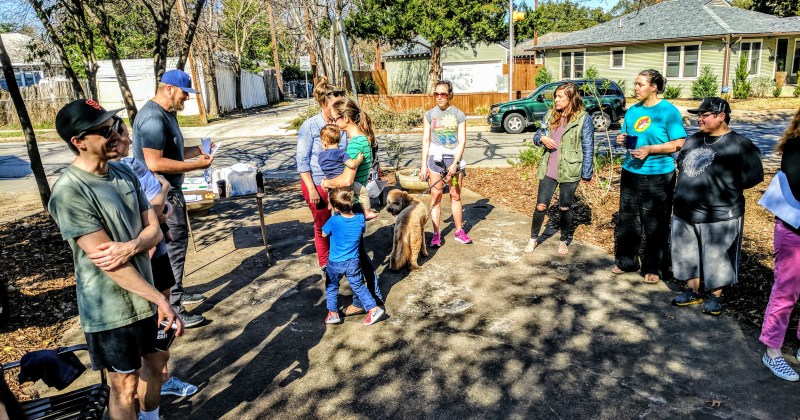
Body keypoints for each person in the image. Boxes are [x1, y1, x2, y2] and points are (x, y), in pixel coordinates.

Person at [48, 99, 184, 420]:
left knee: (157, 362)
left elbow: (155, 228)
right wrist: (160, 299)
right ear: (79, 142)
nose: (115, 135)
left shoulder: (123, 172)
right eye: (104, 131)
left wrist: (132, 245)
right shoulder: (69, 192)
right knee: (124, 383)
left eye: (115, 126)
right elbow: (110, 264)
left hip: (146, 298)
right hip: (111, 309)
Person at [115, 118, 199, 397]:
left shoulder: (132, 165)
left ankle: (163, 378)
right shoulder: (108, 179)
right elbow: (156, 206)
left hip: (158, 251)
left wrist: (160, 205)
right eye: (123, 135)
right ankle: (146, 383)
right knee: (142, 323)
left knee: (161, 320)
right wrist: (162, 193)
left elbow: (163, 212)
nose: (129, 141)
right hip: (139, 260)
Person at [133, 69, 212, 328]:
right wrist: (196, 166)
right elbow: (154, 162)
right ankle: (174, 307)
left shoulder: (167, 114)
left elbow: (173, 153)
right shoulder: (153, 119)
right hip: (160, 196)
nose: (187, 98)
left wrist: (197, 151)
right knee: (173, 247)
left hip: (170, 191)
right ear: (169, 89)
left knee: (178, 244)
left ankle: (177, 291)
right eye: (184, 93)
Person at [670, 97, 763, 315]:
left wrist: (725, 188)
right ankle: (693, 291)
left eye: (704, 115)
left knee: (717, 257)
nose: (699, 119)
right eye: (698, 115)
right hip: (684, 211)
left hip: (720, 213)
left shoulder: (740, 144)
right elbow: (682, 164)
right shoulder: (694, 139)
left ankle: (715, 296)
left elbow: (753, 177)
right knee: (687, 254)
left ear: (721, 116)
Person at [613, 69, 686, 284]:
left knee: (655, 223)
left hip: (658, 174)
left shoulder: (668, 111)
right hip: (630, 171)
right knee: (628, 219)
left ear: (654, 87)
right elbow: (630, 138)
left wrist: (651, 149)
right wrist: (621, 139)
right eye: (635, 84)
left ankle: (655, 267)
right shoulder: (633, 111)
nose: (636, 88)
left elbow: (679, 143)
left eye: (640, 84)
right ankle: (627, 261)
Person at [318, 97, 384, 314]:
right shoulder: (361, 139)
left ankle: (367, 300)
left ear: (346, 119)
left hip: (352, 204)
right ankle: (368, 298)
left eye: (335, 119)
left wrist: (327, 183)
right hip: (354, 202)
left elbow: (347, 179)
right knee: (358, 255)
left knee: (358, 256)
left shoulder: (356, 143)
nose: (333, 123)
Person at [526, 82, 594, 255]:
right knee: (541, 206)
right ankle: (533, 238)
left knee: (565, 207)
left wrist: (587, 173)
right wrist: (541, 139)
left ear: (571, 98)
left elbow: (588, 146)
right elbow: (537, 135)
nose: (556, 99)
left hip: (570, 169)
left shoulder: (583, 118)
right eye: (555, 96)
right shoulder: (550, 115)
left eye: (560, 96)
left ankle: (563, 240)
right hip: (549, 168)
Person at [758, 109, 800, 381]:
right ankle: (772, 351)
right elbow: (798, 185)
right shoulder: (796, 146)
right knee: (786, 292)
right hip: (794, 230)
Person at [321, 188, 385, 325]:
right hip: (353, 261)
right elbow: (361, 229)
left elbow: (323, 234)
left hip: (335, 262)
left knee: (332, 287)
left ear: (336, 208)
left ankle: (333, 313)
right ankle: (373, 309)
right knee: (359, 286)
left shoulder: (334, 220)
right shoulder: (360, 218)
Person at [419, 80, 471, 246]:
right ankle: (436, 234)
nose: (439, 97)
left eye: (443, 94)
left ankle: (459, 231)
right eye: (436, 94)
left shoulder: (458, 115)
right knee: (436, 196)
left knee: (455, 195)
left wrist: (455, 163)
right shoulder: (429, 115)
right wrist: (423, 165)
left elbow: (462, 141)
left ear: (450, 95)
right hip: (435, 161)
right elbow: (426, 140)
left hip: (453, 161)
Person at [318, 124, 365, 211]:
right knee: (363, 191)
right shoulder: (341, 153)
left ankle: (331, 205)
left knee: (334, 198)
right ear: (339, 140)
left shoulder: (321, 156)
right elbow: (351, 165)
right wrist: (359, 160)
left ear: (324, 142)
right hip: (342, 184)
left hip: (331, 182)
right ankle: (367, 210)